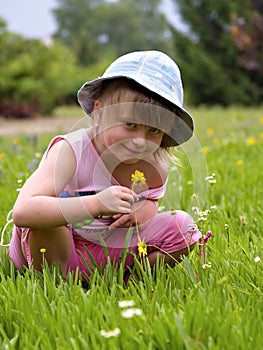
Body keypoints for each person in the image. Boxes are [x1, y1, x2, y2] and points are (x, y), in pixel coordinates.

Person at [9, 50, 201, 280]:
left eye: (154, 130)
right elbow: (23, 212)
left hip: (108, 249)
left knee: (183, 228)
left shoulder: (153, 166)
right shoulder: (71, 151)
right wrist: (97, 203)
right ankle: (57, 284)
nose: (140, 141)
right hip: (55, 249)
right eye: (130, 124)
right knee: (46, 220)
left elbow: (151, 199)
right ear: (99, 112)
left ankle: (126, 281)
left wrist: (144, 210)